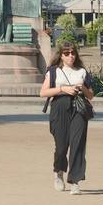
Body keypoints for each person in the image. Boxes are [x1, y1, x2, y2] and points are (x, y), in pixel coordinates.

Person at [40, 41, 93, 195]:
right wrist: (62, 89)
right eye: (67, 54)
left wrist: (81, 87)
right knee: (61, 146)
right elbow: (43, 93)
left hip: (79, 108)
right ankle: (58, 171)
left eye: (73, 53)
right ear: (61, 56)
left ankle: (75, 181)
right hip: (60, 108)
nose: (71, 56)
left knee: (78, 144)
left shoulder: (82, 71)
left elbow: (91, 95)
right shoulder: (54, 71)